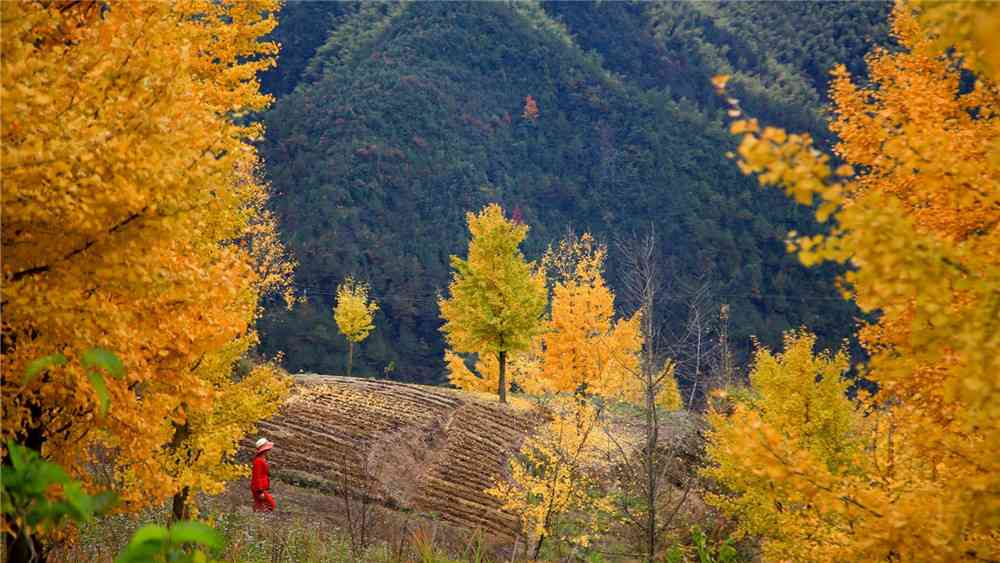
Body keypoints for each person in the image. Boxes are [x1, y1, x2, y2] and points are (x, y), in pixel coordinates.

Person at [251, 437, 276, 512]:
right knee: (270, 505)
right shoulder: (258, 461)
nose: (269, 450)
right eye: (268, 449)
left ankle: (257, 519)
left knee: (260, 506)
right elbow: (256, 476)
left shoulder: (262, 459)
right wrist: (260, 491)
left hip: (261, 487)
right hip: (258, 488)